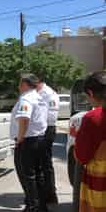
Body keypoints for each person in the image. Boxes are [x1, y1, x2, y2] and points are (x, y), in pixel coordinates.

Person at [10, 73, 48, 212]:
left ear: (25, 84)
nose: (18, 86)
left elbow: (24, 120)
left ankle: (32, 208)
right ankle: (41, 204)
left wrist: (20, 139)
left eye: (20, 83)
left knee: (27, 176)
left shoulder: (26, 98)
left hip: (27, 141)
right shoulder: (40, 98)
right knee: (38, 174)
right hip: (39, 139)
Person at [75, 71, 106, 212]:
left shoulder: (92, 118)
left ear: (91, 93)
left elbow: (82, 156)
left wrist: (79, 136)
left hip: (100, 186)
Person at [36, 76, 60, 205]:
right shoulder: (42, 92)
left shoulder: (47, 93)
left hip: (46, 129)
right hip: (44, 128)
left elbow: (50, 116)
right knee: (44, 163)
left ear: (39, 82)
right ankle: (49, 192)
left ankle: (50, 194)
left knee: (45, 164)